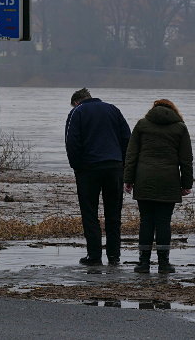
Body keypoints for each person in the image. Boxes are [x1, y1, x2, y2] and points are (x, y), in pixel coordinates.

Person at [123, 99, 193, 273]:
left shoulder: (142, 125)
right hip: (169, 180)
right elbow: (186, 159)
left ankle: (143, 263)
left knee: (146, 221)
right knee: (163, 222)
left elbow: (131, 155)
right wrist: (186, 184)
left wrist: (128, 179)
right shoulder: (180, 128)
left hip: (144, 178)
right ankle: (164, 263)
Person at [65, 88, 131, 266]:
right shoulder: (113, 109)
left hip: (89, 170)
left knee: (89, 213)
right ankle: (114, 256)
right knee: (113, 214)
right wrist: (123, 165)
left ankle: (94, 256)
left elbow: (72, 141)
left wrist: (77, 166)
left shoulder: (76, 112)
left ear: (77, 102)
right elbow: (127, 139)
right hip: (114, 167)